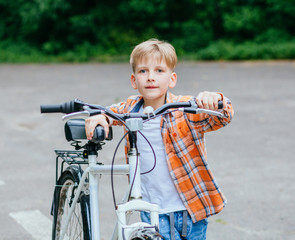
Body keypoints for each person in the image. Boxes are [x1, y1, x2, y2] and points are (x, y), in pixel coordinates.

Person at [85, 39, 234, 240]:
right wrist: (101, 117)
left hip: (191, 210)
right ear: (133, 80)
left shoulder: (184, 109)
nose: (150, 77)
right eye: (143, 71)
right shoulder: (131, 108)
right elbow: (111, 112)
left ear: (172, 79)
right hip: (151, 210)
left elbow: (223, 117)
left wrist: (215, 99)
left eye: (159, 71)